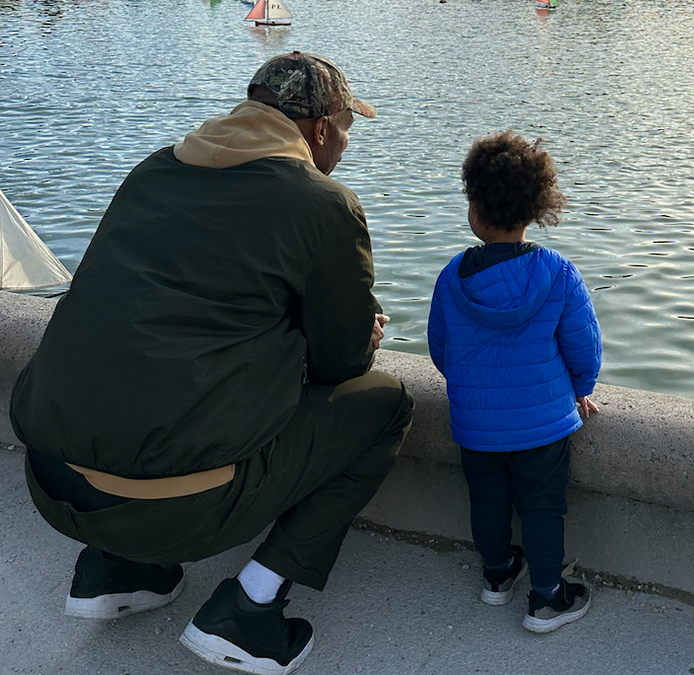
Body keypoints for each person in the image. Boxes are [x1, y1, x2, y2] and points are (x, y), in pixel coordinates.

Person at [9, 52, 414, 675]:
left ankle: (115, 570)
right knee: (386, 405)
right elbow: (342, 365)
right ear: (321, 129)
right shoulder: (323, 203)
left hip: (50, 482)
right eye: (347, 127)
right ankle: (249, 611)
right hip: (175, 511)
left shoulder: (153, 169)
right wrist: (362, 332)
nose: (346, 142)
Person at [427, 130, 602, 634]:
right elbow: (584, 346)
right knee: (543, 507)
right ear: (534, 210)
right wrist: (581, 388)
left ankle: (498, 575)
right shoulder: (558, 272)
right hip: (543, 425)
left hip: (475, 424)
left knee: (486, 500)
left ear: (474, 211)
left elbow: (441, 348)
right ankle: (547, 598)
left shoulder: (452, 277)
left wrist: (472, 389)